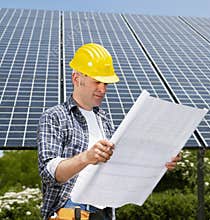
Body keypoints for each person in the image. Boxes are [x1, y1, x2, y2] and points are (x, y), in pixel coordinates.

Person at [37, 43, 181, 220]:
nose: (102, 89)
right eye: (97, 81)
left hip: (104, 212)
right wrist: (86, 157)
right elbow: (49, 172)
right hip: (71, 210)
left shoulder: (104, 119)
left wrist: (159, 162)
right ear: (76, 78)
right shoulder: (55, 117)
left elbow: (120, 167)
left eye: (105, 83)